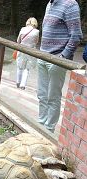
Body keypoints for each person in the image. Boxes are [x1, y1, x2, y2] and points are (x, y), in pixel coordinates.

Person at [37, 0, 82, 133]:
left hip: (57, 59)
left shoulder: (70, 4)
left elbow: (76, 35)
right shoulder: (49, 4)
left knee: (53, 96)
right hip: (42, 56)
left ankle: (48, 130)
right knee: (41, 95)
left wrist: (63, 57)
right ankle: (40, 127)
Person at [16, 17, 39, 90]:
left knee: (20, 67)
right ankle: (23, 85)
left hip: (21, 50)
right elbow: (36, 42)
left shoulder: (23, 29)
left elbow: (18, 40)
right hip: (31, 51)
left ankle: (18, 82)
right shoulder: (36, 32)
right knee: (27, 68)